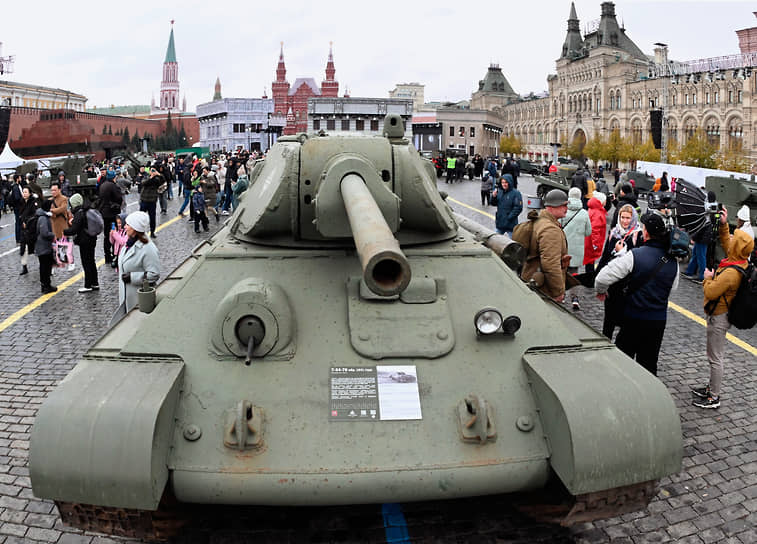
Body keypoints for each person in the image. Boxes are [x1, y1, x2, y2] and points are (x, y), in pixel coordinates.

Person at [595, 212, 679, 376]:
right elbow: (672, 289)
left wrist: (601, 291)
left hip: (633, 318)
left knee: (623, 363)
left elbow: (602, 278)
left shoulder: (635, 255)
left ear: (646, 233)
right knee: (648, 364)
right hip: (657, 321)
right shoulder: (673, 262)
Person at [693, 208, 754, 409]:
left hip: (719, 316)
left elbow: (710, 293)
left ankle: (714, 397)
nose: (732, 239)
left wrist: (707, 279)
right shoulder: (741, 260)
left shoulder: (730, 274)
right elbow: (728, 243)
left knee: (715, 358)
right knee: (714, 356)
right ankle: (711, 389)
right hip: (722, 313)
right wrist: (724, 225)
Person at [595, 204, 643, 339]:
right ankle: (605, 341)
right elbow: (605, 257)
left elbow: (637, 259)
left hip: (627, 284)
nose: (625, 221)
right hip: (612, 282)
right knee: (608, 318)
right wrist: (599, 278)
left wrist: (622, 252)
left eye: (628, 218)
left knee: (624, 319)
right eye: (623, 217)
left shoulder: (637, 235)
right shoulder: (613, 232)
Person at [521, 189, 570, 302]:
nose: (566, 209)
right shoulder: (550, 229)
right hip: (544, 287)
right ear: (553, 206)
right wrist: (558, 291)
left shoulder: (541, 220)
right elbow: (550, 264)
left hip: (532, 276)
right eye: (563, 205)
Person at [118, 211, 160, 313]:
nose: (124, 227)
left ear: (135, 228)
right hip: (126, 296)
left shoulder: (148, 249)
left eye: (128, 225)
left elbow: (154, 274)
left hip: (139, 300)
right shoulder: (129, 243)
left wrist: (132, 277)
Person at [560, 187, 592, 310]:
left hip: (563, 248)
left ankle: (561, 295)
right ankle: (575, 298)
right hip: (577, 250)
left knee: (562, 272)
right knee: (574, 275)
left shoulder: (564, 210)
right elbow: (588, 232)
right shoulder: (584, 213)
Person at [63, 193, 99, 293]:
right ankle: (95, 283)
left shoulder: (79, 213)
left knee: (86, 262)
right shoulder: (86, 210)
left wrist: (63, 231)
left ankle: (88, 285)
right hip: (92, 239)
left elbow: (74, 229)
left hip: (84, 241)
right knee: (91, 261)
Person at [98, 169, 124, 267]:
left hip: (104, 213)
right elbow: (118, 198)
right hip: (112, 213)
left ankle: (107, 256)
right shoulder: (113, 186)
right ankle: (115, 253)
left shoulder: (103, 185)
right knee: (115, 233)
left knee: (106, 235)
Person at [35, 199, 57, 294]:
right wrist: (53, 235)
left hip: (43, 246)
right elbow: (44, 233)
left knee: (45, 266)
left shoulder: (43, 216)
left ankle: (46, 285)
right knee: (45, 267)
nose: (52, 208)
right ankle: (46, 285)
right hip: (43, 246)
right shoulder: (43, 218)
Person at [18, 187, 39, 275]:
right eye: (23, 192)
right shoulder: (22, 202)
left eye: (26, 192)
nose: (24, 194)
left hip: (32, 229)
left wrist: (27, 221)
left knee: (36, 248)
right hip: (23, 230)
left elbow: (35, 215)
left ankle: (42, 264)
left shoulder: (34, 202)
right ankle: (24, 266)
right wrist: (22, 221)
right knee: (23, 248)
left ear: (30, 193)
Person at [139, 166, 161, 238]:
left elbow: (163, 181)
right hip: (144, 200)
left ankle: (152, 231)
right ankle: (140, 231)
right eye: (151, 170)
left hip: (152, 201)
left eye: (153, 170)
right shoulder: (146, 177)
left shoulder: (157, 179)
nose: (152, 172)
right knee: (141, 217)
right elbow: (143, 183)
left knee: (152, 217)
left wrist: (158, 174)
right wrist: (151, 177)